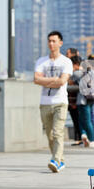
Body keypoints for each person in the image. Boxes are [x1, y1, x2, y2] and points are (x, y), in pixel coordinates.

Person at [34, 31, 73, 172]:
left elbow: (63, 81)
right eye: (49, 41)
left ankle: (56, 160)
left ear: (60, 43)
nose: (51, 43)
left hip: (60, 102)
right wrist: (54, 81)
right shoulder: (41, 61)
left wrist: (46, 81)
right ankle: (60, 160)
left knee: (58, 132)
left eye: (54, 41)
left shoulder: (66, 61)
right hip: (44, 102)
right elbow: (36, 79)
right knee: (50, 135)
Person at [68, 56, 83, 145]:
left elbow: (70, 83)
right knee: (79, 120)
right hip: (80, 100)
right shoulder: (85, 72)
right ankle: (80, 138)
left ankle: (79, 138)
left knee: (77, 120)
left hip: (75, 101)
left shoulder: (77, 73)